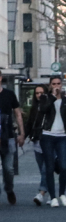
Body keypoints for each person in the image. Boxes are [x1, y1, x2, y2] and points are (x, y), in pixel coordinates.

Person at [39, 75, 66, 207]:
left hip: (61, 136)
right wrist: (53, 97)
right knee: (49, 167)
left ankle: (62, 194)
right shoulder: (45, 98)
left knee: (64, 166)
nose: (56, 86)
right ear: (50, 86)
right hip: (47, 135)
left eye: (58, 83)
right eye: (53, 84)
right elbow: (43, 110)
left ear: (62, 85)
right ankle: (53, 197)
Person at [0, 75, 25, 205]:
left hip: (8, 136)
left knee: (9, 169)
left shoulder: (9, 94)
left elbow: (17, 113)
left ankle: (9, 189)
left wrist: (21, 133)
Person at [27, 83, 49, 205]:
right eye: (37, 93)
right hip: (37, 141)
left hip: (49, 140)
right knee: (43, 170)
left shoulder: (50, 106)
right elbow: (30, 124)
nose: (39, 95)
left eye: (41, 93)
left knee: (46, 168)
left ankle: (41, 193)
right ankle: (52, 193)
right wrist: (22, 137)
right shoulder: (34, 108)